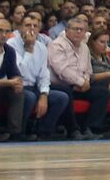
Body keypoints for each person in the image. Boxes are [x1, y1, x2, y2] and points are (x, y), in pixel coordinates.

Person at [10, 13, 71, 141]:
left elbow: (44, 74)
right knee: (30, 97)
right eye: (27, 25)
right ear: (20, 27)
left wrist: (44, 94)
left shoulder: (42, 47)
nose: (31, 29)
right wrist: (29, 49)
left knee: (61, 97)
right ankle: (19, 132)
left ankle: (43, 132)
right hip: (15, 87)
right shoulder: (11, 44)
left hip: (33, 87)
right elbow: (20, 72)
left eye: (35, 26)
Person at [48, 15, 109, 140]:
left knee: (102, 92)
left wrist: (85, 81)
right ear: (66, 30)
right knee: (66, 90)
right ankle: (73, 130)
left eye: (82, 30)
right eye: (75, 29)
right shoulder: (57, 45)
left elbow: (88, 69)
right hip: (61, 84)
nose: (78, 32)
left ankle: (90, 128)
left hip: (81, 85)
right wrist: (80, 82)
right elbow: (62, 70)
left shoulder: (84, 47)